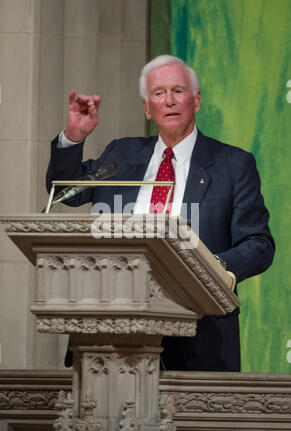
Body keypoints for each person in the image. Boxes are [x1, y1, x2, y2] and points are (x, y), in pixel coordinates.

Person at [46, 55, 275, 372]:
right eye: (158, 93)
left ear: (196, 101)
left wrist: (215, 268)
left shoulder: (232, 165)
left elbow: (259, 243)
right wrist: (74, 137)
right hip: (111, 330)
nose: (168, 100)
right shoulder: (121, 154)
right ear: (146, 107)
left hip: (197, 333)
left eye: (178, 91)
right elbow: (64, 193)